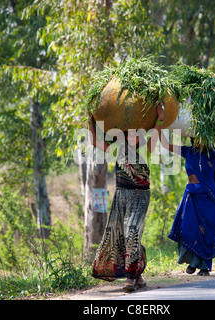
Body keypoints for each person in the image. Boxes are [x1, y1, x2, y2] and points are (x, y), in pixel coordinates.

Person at [88, 104, 164, 292]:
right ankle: (137, 275)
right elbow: (95, 141)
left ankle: (129, 279)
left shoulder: (146, 150)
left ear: (140, 137)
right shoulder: (117, 150)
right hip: (121, 197)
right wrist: (90, 120)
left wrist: (160, 117)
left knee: (132, 233)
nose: (132, 137)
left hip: (139, 197)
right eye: (128, 134)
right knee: (122, 237)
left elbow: (156, 130)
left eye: (135, 134)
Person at [159, 126, 215, 276]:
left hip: (209, 196)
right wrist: (159, 125)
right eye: (195, 138)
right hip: (192, 195)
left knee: (206, 231)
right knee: (188, 228)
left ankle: (204, 267)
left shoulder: (212, 152)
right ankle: (192, 262)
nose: (197, 141)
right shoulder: (188, 151)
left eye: (200, 138)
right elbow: (166, 145)